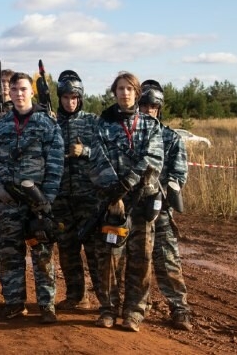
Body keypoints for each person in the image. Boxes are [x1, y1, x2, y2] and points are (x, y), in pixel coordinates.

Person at [0, 72, 64, 322]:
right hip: (9, 200)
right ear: (10, 92)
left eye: (23, 89)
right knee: (9, 253)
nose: (18, 93)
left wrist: (46, 198)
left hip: (37, 200)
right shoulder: (1, 124)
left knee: (42, 254)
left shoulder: (46, 123)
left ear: (32, 92)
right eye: (15, 89)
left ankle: (47, 305)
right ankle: (15, 302)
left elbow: (56, 162)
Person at [92, 71, 164, 332]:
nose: (124, 93)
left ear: (137, 93)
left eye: (129, 89)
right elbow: (97, 160)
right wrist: (115, 196)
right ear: (115, 92)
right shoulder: (103, 124)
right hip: (113, 205)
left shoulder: (150, 125)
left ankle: (134, 312)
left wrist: (126, 186)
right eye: (120, 89)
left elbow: (153, 160)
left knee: (141, 260)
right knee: (110, 259)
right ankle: (108, 310)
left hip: (142, 203)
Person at [138, 80, 193, 331]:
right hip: (134, 208)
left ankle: (179, 309)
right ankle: (139, 305)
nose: (148, 109)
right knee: (136, 262)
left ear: (159, 108)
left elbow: (178, 176)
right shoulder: (131, 135)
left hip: (159, 209)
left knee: (167, 261)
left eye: (153, 105)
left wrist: (164, 191)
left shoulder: (171, 138)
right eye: (144, 104)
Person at [52, 70, 103, 310]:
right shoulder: (52, 123)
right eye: (65, 97)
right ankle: (76, 296)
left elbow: (106, 155)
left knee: (94, 251)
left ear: (80, 98)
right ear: (59, 98)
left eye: (74, 97)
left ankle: (105, 299)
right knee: (67, 249)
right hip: (61, 198)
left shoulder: (93, 122)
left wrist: (86, 152)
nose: (70, 102)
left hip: (88, 198)